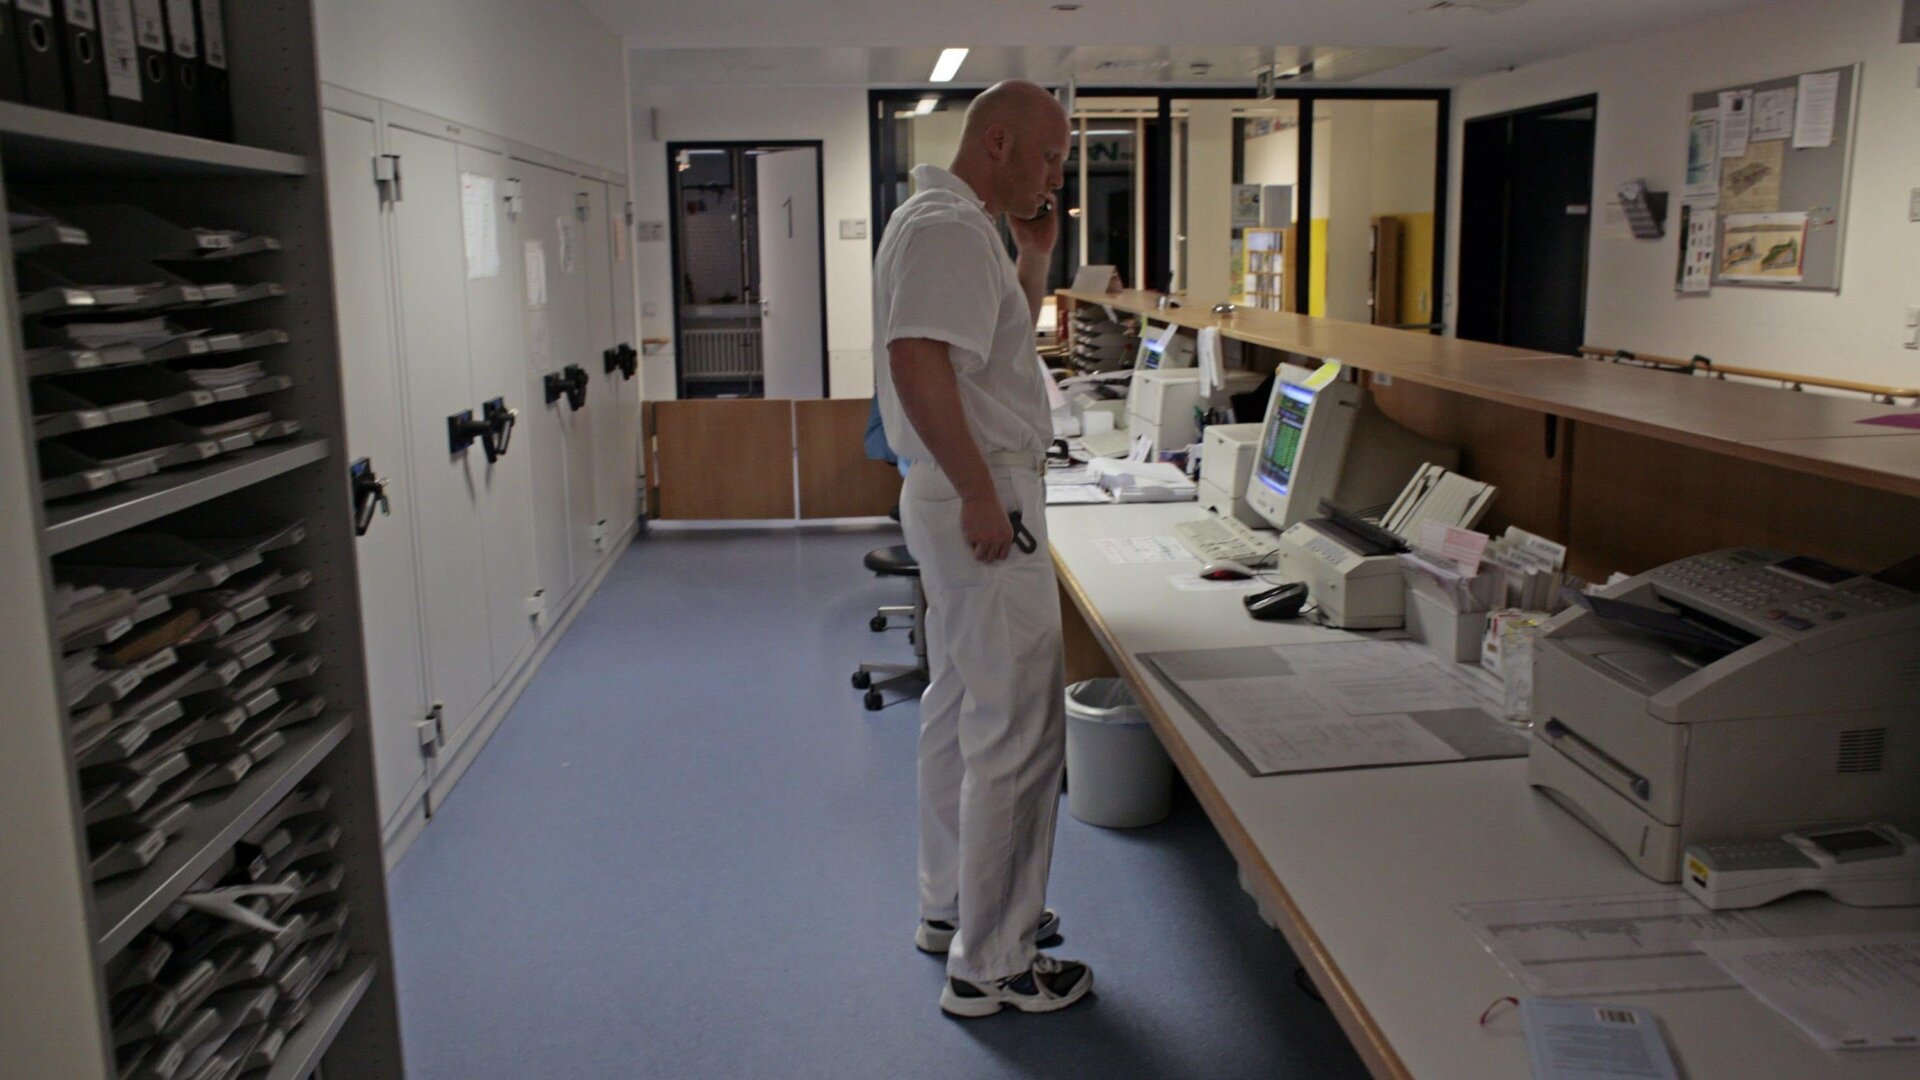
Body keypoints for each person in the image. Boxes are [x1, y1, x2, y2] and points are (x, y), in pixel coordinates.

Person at [871, 80, 1091, 1018]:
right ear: (996, 143)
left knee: (964, 701)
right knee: (1018, 728)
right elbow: (916, 361)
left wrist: (1034, 261)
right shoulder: (948, 228)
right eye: (1048, 157)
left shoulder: (961, 224)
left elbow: (985, 357)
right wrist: (978, 495)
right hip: (981, 492)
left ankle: (953, 905)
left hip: (972, 486)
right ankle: (994, 963)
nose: (1057, 176)